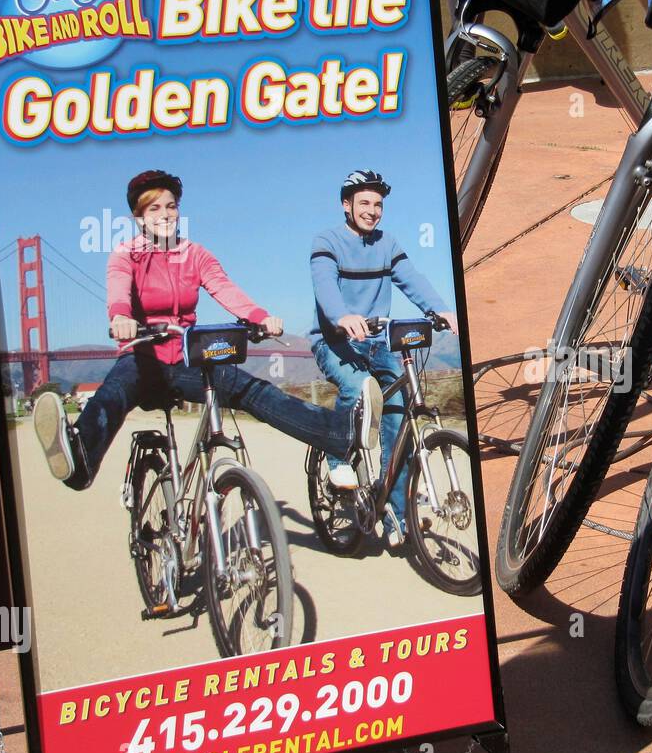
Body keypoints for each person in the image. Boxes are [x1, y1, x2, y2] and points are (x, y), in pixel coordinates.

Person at [34, 169, 358, 488]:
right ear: (139, 217)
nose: (165, 214)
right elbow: (118, 290)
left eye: (171, 206)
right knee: (114, 392)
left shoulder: (195, 255)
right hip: (143, 358)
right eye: (154, 208)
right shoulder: (126, 255)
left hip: (186, 358)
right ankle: (77, 459)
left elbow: (224, 288)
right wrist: (120, 317)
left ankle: (341, 434)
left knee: (254, 391)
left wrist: (259, 316)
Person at [309, 169, 458, 548]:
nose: (372, 211)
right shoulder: (327, 240)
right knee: (357, 387)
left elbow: (412, 278)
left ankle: (394, 510)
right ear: (347, 205)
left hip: (379, 342)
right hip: (337, 341)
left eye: (377, 204)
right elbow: (325, 286)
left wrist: (441, 310)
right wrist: (342, 317)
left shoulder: (387, 243)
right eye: (364, 203)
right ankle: (338, 459)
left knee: (399, 416)